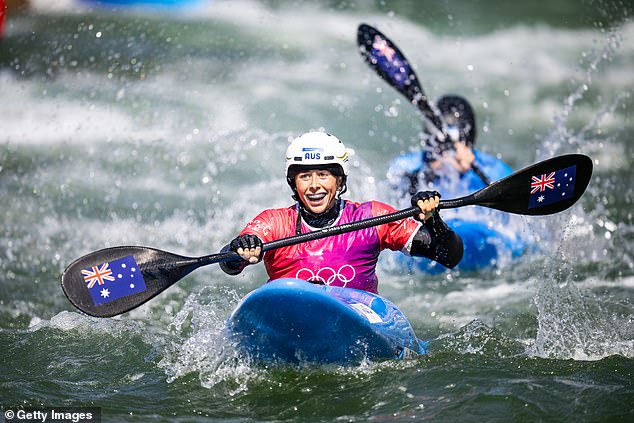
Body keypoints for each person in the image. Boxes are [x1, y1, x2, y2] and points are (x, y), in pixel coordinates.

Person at [220, 131, 463, 293]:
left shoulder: (372, 218)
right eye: (305, 176)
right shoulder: (274, 222)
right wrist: (241, 247)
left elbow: (449, 256)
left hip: (356, 320)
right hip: (291, 320)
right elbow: (229, 264)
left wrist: (433, 220)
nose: (314, 184)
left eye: (323, 175)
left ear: (339, 180)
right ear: (294, 183)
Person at [389, 95, 513, 197]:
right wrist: (431, 170)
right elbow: (394, 195)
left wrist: (472, 169)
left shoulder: (495, 169)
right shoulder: (406, 165)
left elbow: (512, 199)